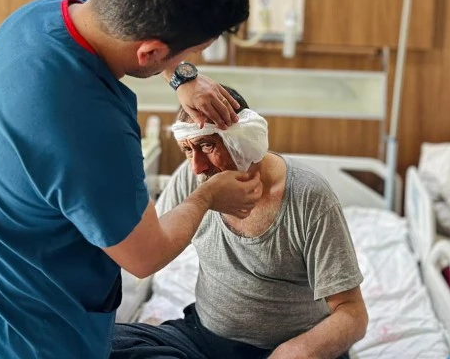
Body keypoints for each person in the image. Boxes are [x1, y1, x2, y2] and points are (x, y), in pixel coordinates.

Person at [0, 0, 265, 358]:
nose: (191, 63)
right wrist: (208, 197)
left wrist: (181, 76)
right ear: (150, 52)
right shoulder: (89, 122)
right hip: (32, 338)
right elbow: (145, 256)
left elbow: (124, 25)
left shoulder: (44, 14)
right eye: (190, 54)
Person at [112, 85, 369, 359]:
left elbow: (353, 314)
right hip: (204, 340)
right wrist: (203, 198)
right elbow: (151, 251)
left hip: (290, 348)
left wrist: (298, 351)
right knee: (108, 344)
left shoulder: (309, 197)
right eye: (187, 149)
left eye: (207, 145)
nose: (197, 166)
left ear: (245, 138)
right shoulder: (194, 179)